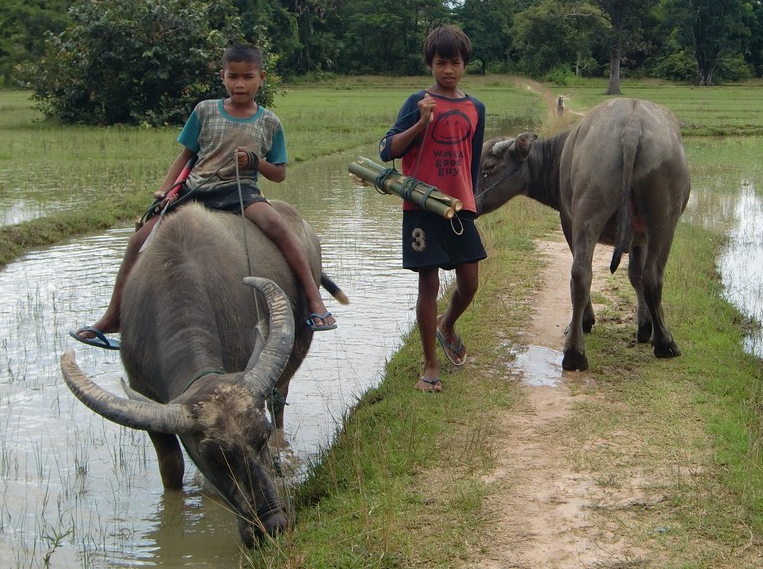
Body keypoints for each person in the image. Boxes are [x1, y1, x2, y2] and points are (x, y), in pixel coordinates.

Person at [71, 43, 335, 350]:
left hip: (240, 193)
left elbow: (279, 173)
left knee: (280, 227)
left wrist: (255, 162)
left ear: (261, 78)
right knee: (137, 240)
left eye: (247, 77)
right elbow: (186, 155)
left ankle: (315, 302)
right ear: (221, 76)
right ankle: (114, 314)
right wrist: (167, 188)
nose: (240, 83)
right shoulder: (205, 110)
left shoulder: (269, 121)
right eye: (233, 76)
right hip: (195, 192)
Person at [378, 25, 486, 392]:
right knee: (429, 282)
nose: (448, 71)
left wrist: (472, 202)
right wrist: (421, 123)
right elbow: (387, 150)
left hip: (458, 208)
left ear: (465, 65)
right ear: (430, 64)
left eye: (455, 63)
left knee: (469, 281)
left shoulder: (476, 108)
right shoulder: (416, 102)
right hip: (422, 206)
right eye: (441, 63)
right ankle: (430, 364)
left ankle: (447, 324)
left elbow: (471, 162)